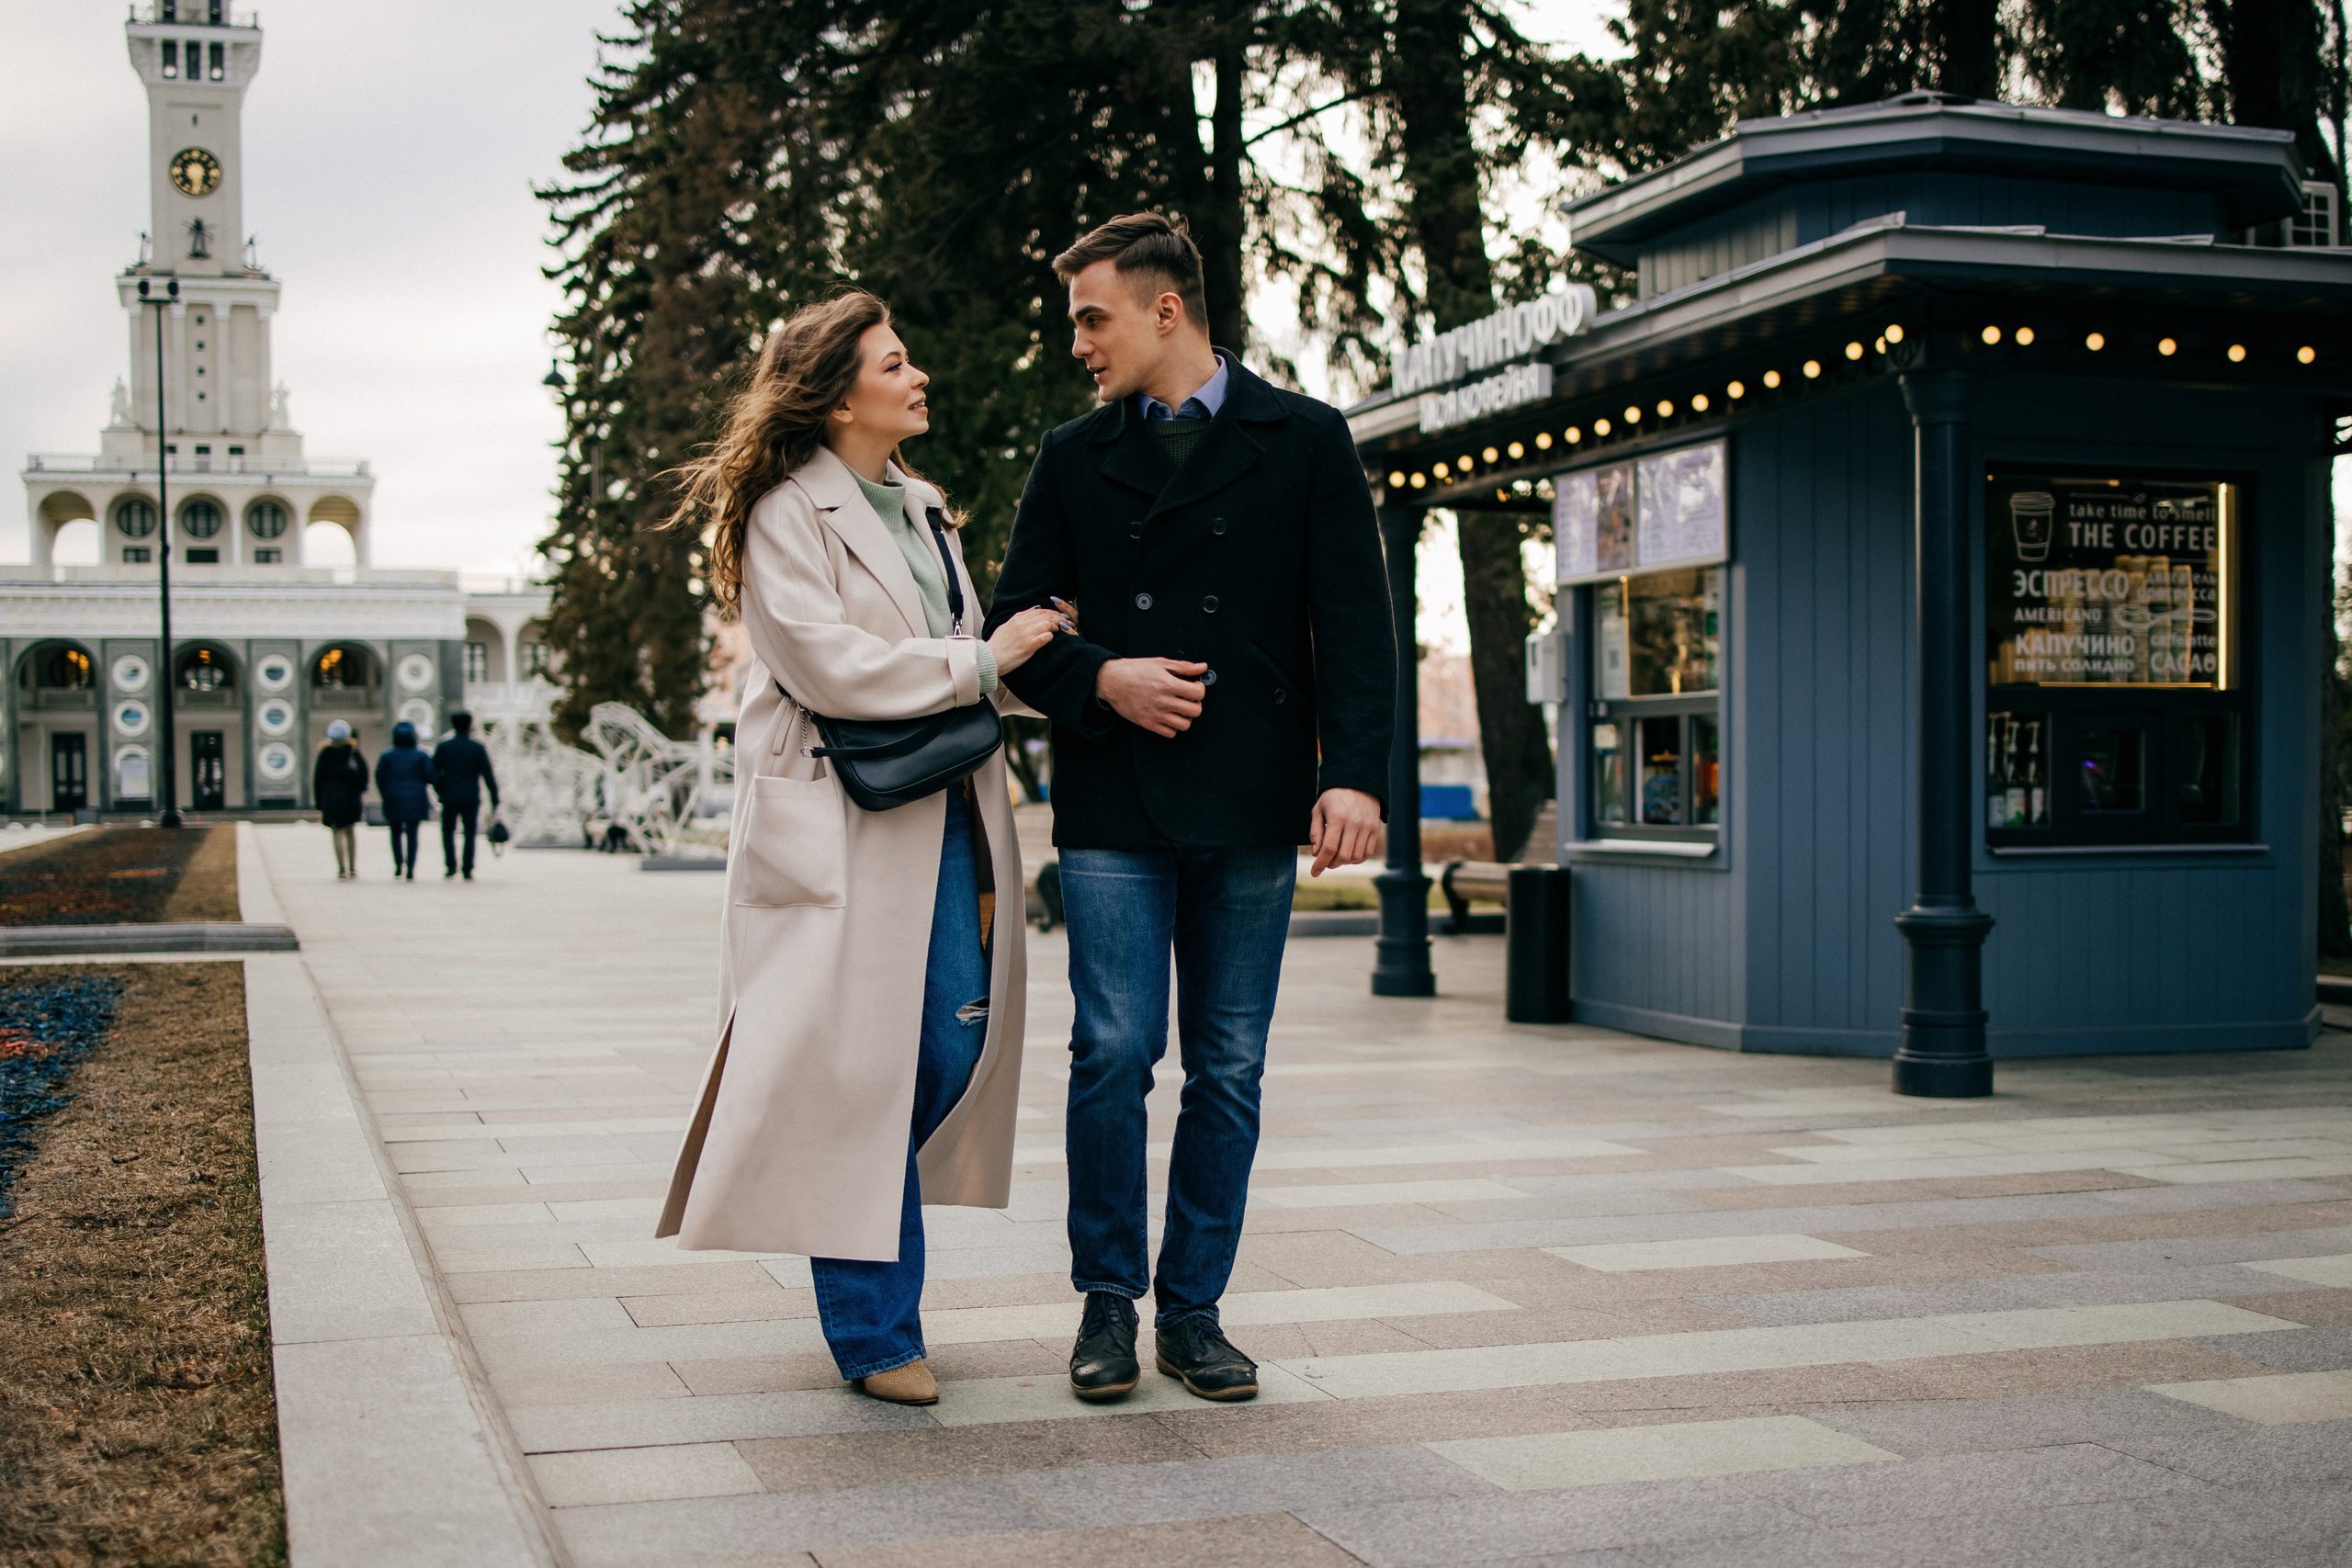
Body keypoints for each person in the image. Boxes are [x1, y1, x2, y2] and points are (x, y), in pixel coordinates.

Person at [983, 212, 1395, 1404]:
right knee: (1113, 1048)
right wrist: (1102, 674)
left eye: (1092, 318)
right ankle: (1108, 1301)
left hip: (1254, 798)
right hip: (1116, 795)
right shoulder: (1072, 456)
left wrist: (1354, 772)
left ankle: (1195, 1309)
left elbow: (1356, 627)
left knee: (1228, 1060)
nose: (1079, 344)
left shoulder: (1306, 439)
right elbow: (1016, 633)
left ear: (1169, 310)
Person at [653, 290, 1072, 1406]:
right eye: (896, 363)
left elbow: (957, 657)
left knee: (941, 1053)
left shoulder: (923, 507)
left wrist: (1067, 678)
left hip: (940, 813)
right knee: (857, 1071)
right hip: (837, 822)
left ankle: (859, 1245)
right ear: (842, 397)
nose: (918, 375)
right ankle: (875, 1330)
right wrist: (987, 663)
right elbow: (831, 665)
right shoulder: (787, 513)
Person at [431, 710, 501, 880]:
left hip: (449, 796)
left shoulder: (444, 747)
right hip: (471, 796)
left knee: (448, 831)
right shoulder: (477, 747)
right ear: (470, 725)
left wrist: (440, 788)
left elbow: (433, 772)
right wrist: (494, 795)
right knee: (470, 832)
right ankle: (467, 867)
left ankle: (450, 865)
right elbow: (487, 773)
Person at [374, 721, 434, 882]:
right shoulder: (421, 755)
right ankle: (411, 868)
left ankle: (398, 865)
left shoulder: (387, 755)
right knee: (413, 833)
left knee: (395, 832)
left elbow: (379, 777)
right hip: (416, 799)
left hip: (393, 798)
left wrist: (386, 793)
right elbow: (430, 776)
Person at [313, 719, 368, 880]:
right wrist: (360, 790)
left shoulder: (325, 754)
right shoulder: (353, 752)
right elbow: (364, 774)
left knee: (337, 831)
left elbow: (318, 780)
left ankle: (341, 867)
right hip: (351, 796)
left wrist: (319, 804)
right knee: (350, 831)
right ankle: (353, 867)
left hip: (330, 797)